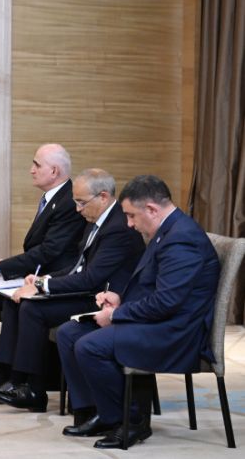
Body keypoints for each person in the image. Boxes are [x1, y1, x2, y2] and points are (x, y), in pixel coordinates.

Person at [56, 175, 220, 449]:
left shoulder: (182, 239)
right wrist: (119, 300)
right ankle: (98, 412)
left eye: (131, 216)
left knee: (90, 346)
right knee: (69, 333)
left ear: (152, 209)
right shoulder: (167, 230)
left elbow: (167, 302)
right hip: (158, 320)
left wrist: (116, 315)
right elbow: (153, 288)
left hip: (175, 333)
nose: (129, 224)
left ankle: (132, 421)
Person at [0, 169, 145, 412]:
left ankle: (34, 389)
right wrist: (43, 279)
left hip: (103, 299)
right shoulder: (97, 220)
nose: (77, 209)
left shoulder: (117, 227)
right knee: (15, 301)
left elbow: (90, 278)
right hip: (90, 291)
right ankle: (12, 380)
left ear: (103, 197)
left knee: (33, 309)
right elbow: (78, 266)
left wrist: (42, 286)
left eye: (81, 202)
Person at [0, 143, 86, 385]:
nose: (31, 170)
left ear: (54, 171)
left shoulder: (67, 202)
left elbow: (49, 251)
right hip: (33, 275)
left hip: (51, 280)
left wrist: (2, 268)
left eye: (37, 165)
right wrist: (5, 266)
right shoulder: (53, 198)